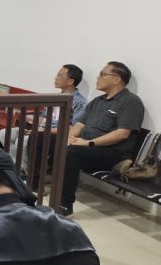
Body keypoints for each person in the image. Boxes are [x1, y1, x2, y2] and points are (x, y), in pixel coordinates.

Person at [62, 61, 145, 216]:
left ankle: (64, 204)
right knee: (43, 139)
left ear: (116, 79)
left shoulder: (131, 102)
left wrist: (87, 143)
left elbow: (122, 134)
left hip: (112, 154)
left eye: (102, 74)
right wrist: (68, 138)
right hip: (87, 147)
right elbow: (79, 125)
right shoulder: (97, 101)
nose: (98, 77)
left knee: (71, 153)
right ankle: (33, 187)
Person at [0, 64, 87, 168]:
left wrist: (42, 131)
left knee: (22, 141)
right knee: (4, 133)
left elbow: (72, 128)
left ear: (70, 81)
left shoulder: (79, 102)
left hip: (56, 135)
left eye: (59, 75)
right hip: (42, 130)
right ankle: (17, 165)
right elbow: (43, 117)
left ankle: (26, 170)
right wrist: (34, 128)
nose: (55, 78)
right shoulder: (56, 97)